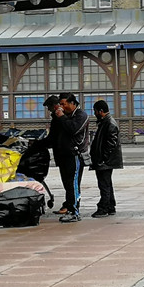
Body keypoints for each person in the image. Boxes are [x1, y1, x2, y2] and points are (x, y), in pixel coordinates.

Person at [54, 92, 90, 223]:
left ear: (72, 103)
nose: (62, 107)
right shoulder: (65, 116)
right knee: (67, 184)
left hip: (75, 155)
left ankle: (75, 211)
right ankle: (69, 208)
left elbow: (73, 129)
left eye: (64, 104)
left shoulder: (81, 115)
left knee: (73, 183)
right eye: (60, 104)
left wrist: (62, 117)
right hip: (64, 155)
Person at [89, 99, 122, 218]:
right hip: (105, 160)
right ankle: (110, 206)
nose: (94, 113)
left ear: (101, 111)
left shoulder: (109, 123)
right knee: (107, 183)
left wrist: (103, 159)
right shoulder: (106, 122)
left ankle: (104, 207)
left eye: (95, 111)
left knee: (104, 184)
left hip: (105, 161)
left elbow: (110, 144)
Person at [38, 95, 68, 214]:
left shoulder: (60, 118)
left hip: (64, 153)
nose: (49, 110)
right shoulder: (58, 118)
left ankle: (70, 206)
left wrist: (39, 144)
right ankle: (69, 204)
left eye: (49, 108)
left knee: (68, 181)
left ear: (54, 106)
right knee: (67, 181)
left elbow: (54, 137)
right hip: (61, 153)